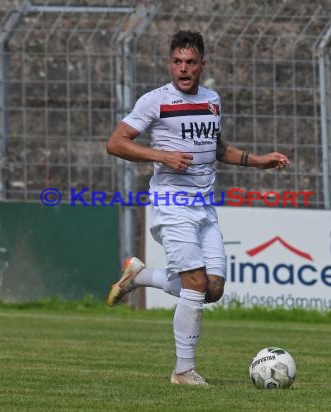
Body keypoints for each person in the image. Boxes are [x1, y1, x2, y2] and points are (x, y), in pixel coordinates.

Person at [105, 30, 289, 385]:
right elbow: (116, 143)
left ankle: (139, 277)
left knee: (212, 289)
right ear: (169, 63)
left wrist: (258, 160)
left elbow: (217, 148)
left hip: (205, 209)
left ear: (202, 64)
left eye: (190, 62)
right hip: (172, 207)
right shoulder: (155, 101)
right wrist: (162, 156)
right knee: (194, 281)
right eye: (177, 62)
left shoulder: (211, 100)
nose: (183, 69)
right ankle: (183, 371)